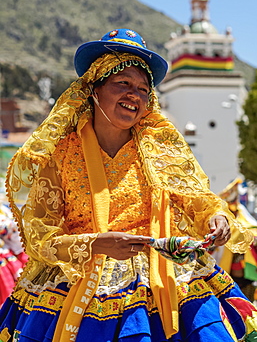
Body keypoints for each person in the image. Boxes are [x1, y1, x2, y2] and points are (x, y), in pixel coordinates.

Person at [0, 28, 256, 342]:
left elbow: (198, 199)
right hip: (77, 280)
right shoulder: (60, 157)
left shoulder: (161, 151)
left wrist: (216, 218)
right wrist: (95, 243)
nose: (134, 94)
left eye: (143, 89)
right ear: (93, 89)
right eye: (123, 83)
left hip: (164, 280)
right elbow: (40, 235)